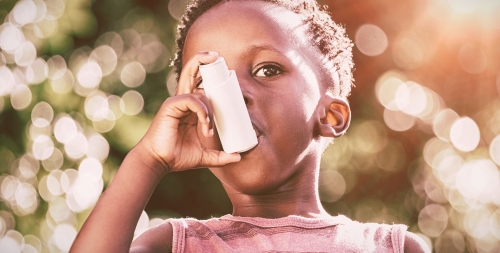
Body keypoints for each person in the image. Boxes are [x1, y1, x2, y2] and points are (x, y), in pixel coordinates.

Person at [70, 0, 430, 252]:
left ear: (330, 116)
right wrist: (148, 160)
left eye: (266, 70)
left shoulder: (393, 248)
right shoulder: (172, 245)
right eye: (209, 82)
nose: (235, 94)